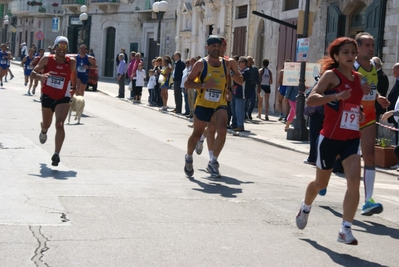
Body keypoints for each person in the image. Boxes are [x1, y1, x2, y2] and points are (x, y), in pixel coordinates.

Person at [296, 37, 365, 245]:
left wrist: (359, 112)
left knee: (354, 182)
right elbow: (311, 99)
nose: (351, 56)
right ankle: (306, 206)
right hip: (330, 137)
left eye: (353, 52)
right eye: (346, 52)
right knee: (320, 183)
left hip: (351, 137)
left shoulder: (358, 77)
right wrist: (335, 96)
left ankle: (345, 229)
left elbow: (354, 103)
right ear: (336, 56)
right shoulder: (331, 76)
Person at [184, 35, 243, 178]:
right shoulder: (201, 64)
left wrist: (231, 76)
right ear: (207, 48)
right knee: (197, 134)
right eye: (213, 46)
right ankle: (189, 157)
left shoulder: (228, 63)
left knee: (222, 131)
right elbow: (188, 83)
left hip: (220, 104)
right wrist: (204, 85)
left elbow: (240, 80)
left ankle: (213, 162)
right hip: (203, 104)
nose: (217, 49)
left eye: (219, 46)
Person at [353, 32, 390, 216]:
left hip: (368, 117)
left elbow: (372, 90)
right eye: (366, 45)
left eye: (372, 45)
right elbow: (339, 89)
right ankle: (322, 179)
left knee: (369, 155)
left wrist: (379, 98)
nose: (370, 48)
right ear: (357, 48)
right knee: (341, 156)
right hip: (349, 117)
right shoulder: (351, 67)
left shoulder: (373, 68)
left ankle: (368, 201)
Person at [30, 36, 77, 166]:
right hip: (48, 96)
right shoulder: (46, 59)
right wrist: (41, 76)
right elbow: (32, 73)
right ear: (55, 47)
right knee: (47, 124)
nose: (62, 49)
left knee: (60, 124)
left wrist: (73, 88)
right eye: (60, 46)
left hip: (63, 97)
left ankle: (56, 154)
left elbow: (73, 74)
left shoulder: (71, 62)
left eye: (65, 46)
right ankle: (43, 131)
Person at [232, 57, 251, 131]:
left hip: (242, 93)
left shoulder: (246, 71)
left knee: (239, 110)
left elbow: (240, 80)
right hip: (238, 92)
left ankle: (240, 125)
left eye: (240, 62)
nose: (238, 63)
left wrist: (232, 74)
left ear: (244, 63)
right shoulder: (242, 71)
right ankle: (237, 124)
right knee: (237, 110)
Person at [372, 57, 389, 137]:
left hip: (377, 105)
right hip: (375, 104)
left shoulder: (381, 76)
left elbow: (379, 90)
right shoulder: (378, 75)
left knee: (374, 125)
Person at [245, 56, 260, 121]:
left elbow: (258, 79)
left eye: (250, 60)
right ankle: (244, 114)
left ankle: (249, 112)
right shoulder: (244, 69)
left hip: (252, 86)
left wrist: (259, 87)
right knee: (245, 101)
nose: (249, 62)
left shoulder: (255, 69)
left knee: (253, 101)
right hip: (245, 86)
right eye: (248, 60)